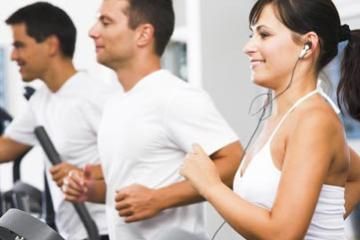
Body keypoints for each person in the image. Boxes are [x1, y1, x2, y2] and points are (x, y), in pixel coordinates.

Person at [61, 0, 243, 239]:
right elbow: (137, 184)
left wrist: (160, 199)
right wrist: (91, 191)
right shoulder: (117, 101)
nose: (92, 31)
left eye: (106, 22)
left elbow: (234, 162)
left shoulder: (175, 96)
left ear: (143, 34)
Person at [181, 0, 360, 239]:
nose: (248, 47)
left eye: (264, 35)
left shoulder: (314, 119)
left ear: (307, 45)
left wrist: (210, 185)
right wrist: (321, 221)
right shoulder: (285, 118)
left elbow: (282, 234)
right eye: (252, 35)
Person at [1, 2, 111, 239]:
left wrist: (83, 174)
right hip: (73, 232)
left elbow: (133, 160)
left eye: (20, 46)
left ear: (51, 45)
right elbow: (5, 148)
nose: (13, 56)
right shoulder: (42, 100)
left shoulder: (94, 97)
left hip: (104, 231)